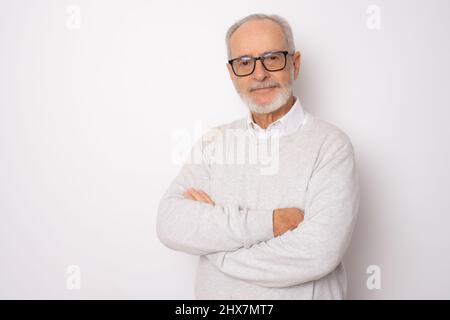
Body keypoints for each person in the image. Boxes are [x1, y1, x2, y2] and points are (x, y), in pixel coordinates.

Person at [156, 13, 360, 299]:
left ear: (295, 64)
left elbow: (318, 252)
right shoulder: (213, 144)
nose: (259, 74)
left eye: (272, 58)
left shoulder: (331, 146)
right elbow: (170, 223)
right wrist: (271, 223)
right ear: (231, 74)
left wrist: (217, 249)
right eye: (244, 63)